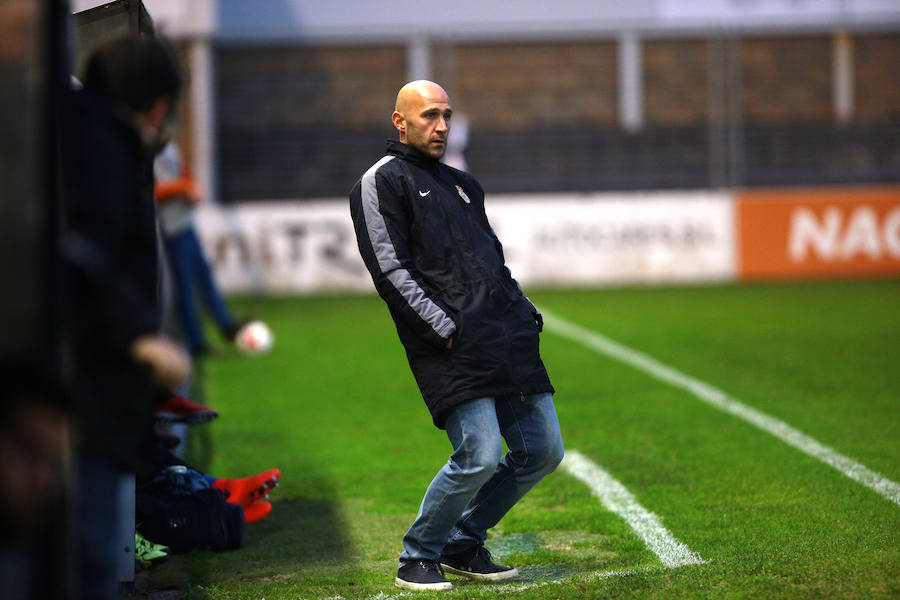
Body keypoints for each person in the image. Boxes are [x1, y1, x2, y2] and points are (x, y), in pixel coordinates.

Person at [349, 80, 564, 592]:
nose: (441, 125)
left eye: (446, 115)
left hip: (504, 338)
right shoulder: (381, 183)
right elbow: (391, 271)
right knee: (480, 454)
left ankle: (462, 542)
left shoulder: (464, 184)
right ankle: (418, 554)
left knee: (543, 450)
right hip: (449, 345)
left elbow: (493, 260)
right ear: (400, 121)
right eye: (428, 116)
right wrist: (442, 328)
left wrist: (523, 309)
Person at [59, 35, 190, 600]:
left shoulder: (70, 128)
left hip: (76, 371)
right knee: (86, 547)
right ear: (158, 105)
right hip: (86, 376)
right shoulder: (98, 146)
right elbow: (88, 249)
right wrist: (138, 336)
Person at [154, 140, 242, 357]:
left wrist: (192, 185)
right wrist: (185, 187)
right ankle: (196, 342)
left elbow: (183, 171)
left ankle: (226, 325)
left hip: (184, 222)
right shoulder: (149, 150)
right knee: (183, 286)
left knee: (203, 274)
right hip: (169, 228)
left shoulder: (169, 146)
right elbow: (154, 190)